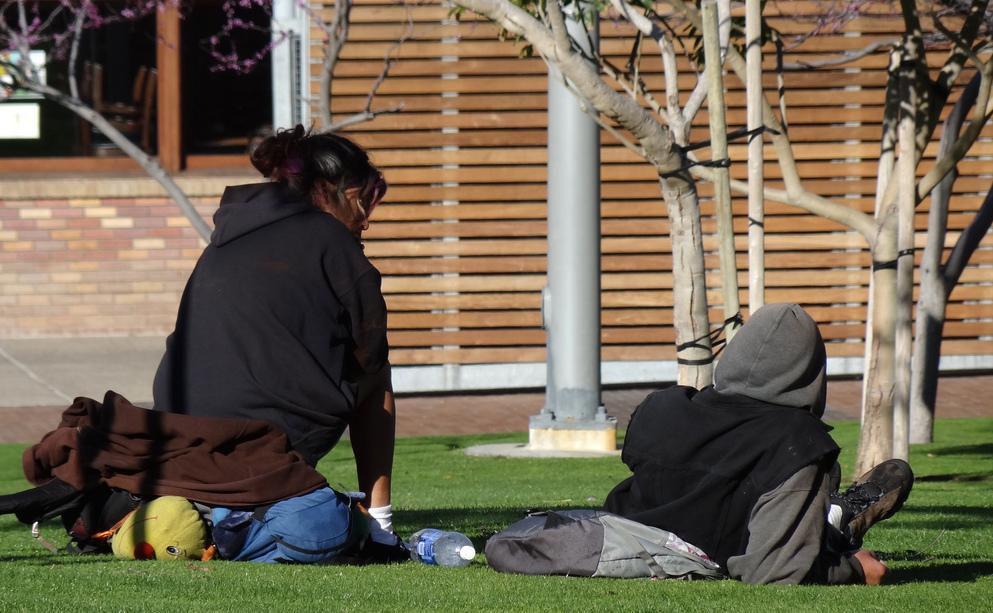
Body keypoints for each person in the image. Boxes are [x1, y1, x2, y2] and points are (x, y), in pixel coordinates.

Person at [152, 124, 403, 559]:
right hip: (265, 467)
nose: (367, 218)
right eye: (363, 199)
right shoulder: (336, 248)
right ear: (327, 192)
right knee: (374, 375)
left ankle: (205, 517)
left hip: (179, 456)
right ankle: (374, 523)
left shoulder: (226, 241)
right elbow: (370, 369)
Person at [604, 303, 913, 585]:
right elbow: (774, 570)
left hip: (629, 537)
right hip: (721, 549)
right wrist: (857, 570)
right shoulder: (797, 441)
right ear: (812, 371)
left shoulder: (664, 406)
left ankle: (832, 514)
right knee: (814, 530)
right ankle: (837, 522)